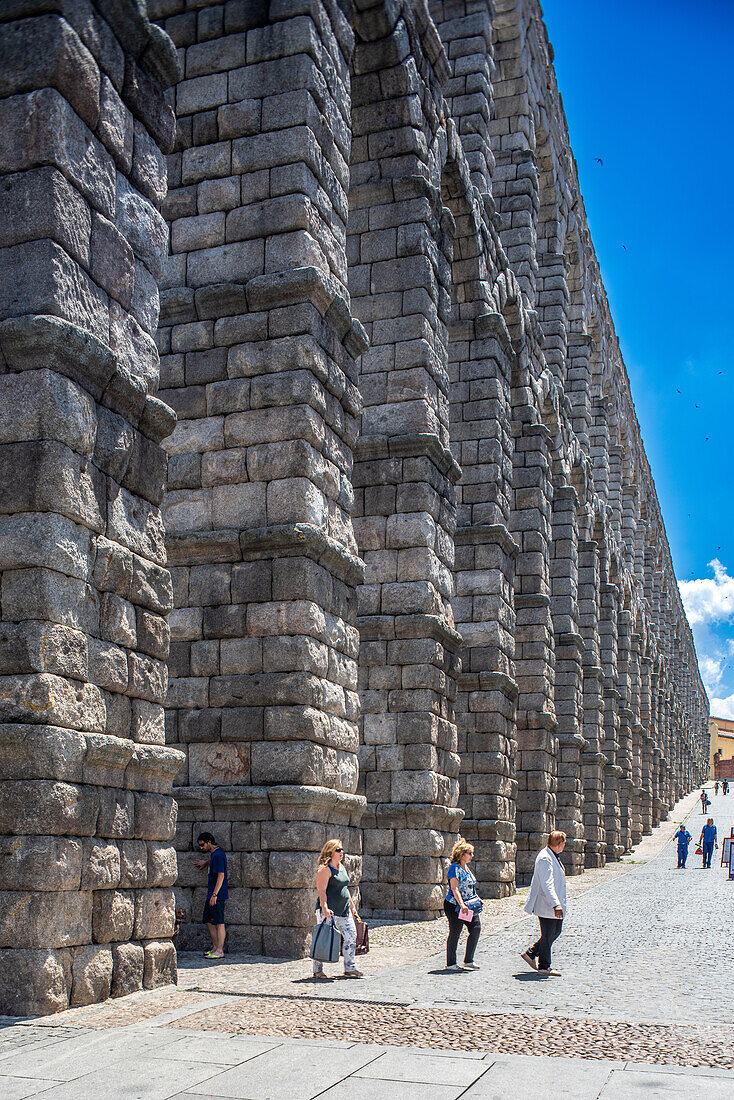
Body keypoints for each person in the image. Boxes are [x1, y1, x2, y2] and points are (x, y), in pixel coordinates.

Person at [312, 838, 363, 981]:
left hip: (344, 909)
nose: (342, 852)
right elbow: (321, 891)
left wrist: (352, 907)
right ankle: (317, 970)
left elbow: (345, 889)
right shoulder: (324, 870)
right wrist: (325, 908)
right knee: (323, 939)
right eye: (338, 850)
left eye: (342, 850)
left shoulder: (342, 868)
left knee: (351, 936)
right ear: (330, 852)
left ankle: (349, 967)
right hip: (329, 912)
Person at [520, 830, 567, 977]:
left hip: (552, 903)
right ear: (559, 844)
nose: (564, 845)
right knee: (548, 934)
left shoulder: (552, 856)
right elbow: (547, 884)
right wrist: (555, 904)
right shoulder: (545, 858)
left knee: (555, 932)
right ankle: (544, 966)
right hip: (547, 904)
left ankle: (531, 953)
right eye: (564, 843)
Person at [444, 838, 482, 971]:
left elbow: (470, 886)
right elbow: (455, 889)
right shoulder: (454, 868)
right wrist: (462, 905)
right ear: (462, 854)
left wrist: (477, 898)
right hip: (455, 906)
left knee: (476, 928)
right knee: (455, 931)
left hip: (468, 906)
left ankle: (468, 960)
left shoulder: (466, 867)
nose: (472, 855)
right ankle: (451, 963)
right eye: (470, 853)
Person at [194, 832, 228, 959]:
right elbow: (213, 859)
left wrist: (215, 894)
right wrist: (205, 863)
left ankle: (220, 951)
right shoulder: (215, 854)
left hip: (217, 894)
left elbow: (221, 875)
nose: (201, 848)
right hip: (211, 893)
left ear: (209, 842)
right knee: (208, 920)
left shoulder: (218, 855)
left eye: (202, 845)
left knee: (219, 922)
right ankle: (215, 947)